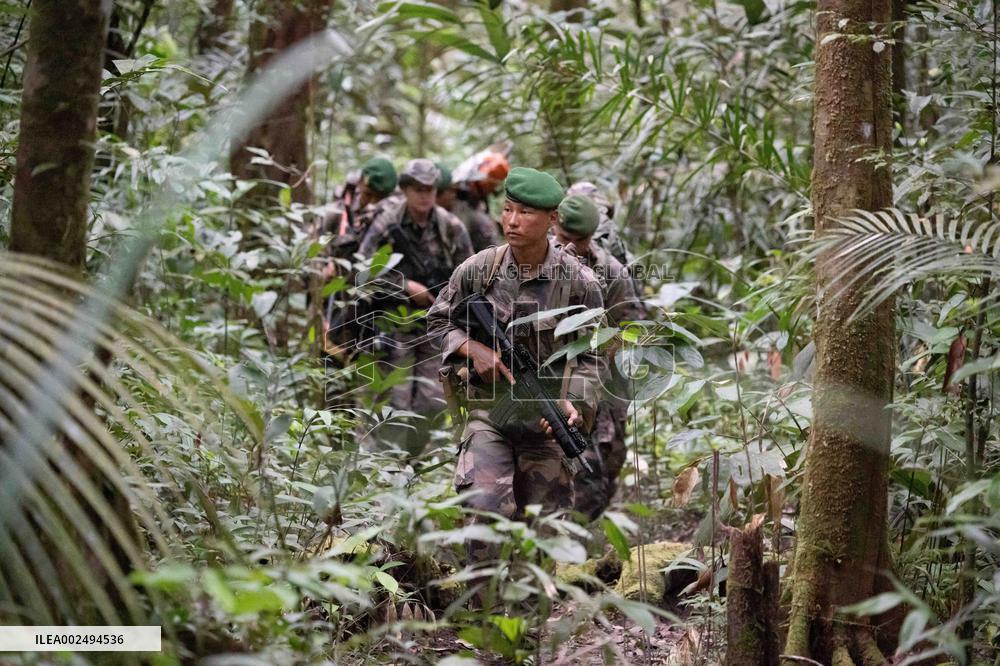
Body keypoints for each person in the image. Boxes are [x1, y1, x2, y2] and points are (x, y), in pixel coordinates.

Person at [427, 167, 605, 562]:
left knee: (539, 534)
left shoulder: (581, 283)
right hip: (488, 413)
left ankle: (529, 623)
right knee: (484, 510)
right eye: (507, 210)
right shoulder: (478, 271)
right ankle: (481, 616)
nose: (512, 221)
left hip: (546, 421)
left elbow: (592, 355)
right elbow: (438, 322)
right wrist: (474, 349)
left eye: (524, 213)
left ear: (552, 220)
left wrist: (577, 403)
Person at [358, 158, 474, 454]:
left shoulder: (451, 227)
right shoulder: (387, 222)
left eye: (430, 189)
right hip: (393, 324)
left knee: (431, 402)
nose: (424, 195)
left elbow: (473, 276)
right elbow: (360, 271)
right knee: (392, 400)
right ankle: (385, 464)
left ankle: (416, 461)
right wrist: (405, 286)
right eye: (417, 189)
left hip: (436, 327)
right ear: (405, 190)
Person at [554, 194, 645, 519]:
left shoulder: (611, 270)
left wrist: (599, 349)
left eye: (579, 241)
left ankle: (578, 543)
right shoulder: (529, 261)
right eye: (564, 239)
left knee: (602, 468)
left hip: (601, 385)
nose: (570, 248)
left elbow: (631, 327)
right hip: (544, 382)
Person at [450, 151, 509, 252]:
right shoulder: (461, 208)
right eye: (492, 186)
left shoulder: (479, 204)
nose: (493, 190)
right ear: (483, 183)